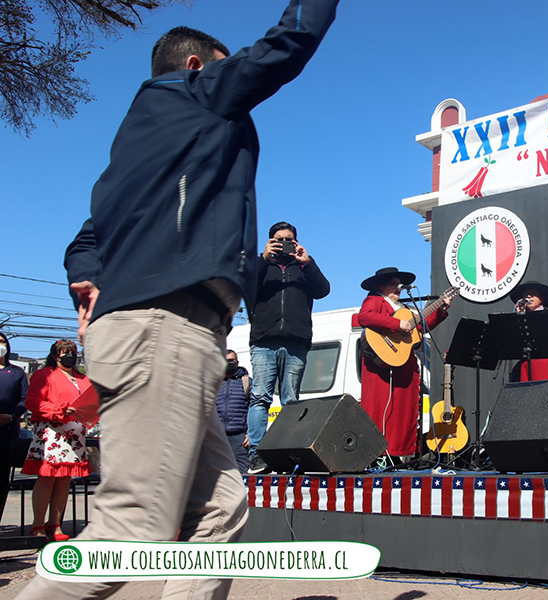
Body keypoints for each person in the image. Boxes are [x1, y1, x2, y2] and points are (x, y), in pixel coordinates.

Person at [29, 3, 339, 599]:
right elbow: (290, 40)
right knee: (132, 532)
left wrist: (87, 278)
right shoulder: (193, 95)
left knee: (221, 511)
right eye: (223, 74)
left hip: (160, 331)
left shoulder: (134, 153)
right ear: (197, 67)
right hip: (166, 326)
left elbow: (84, 240)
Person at [247, 221, 330, 474]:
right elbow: (243, 285)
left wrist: (308, 261)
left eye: (290, 239)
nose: (285, 244)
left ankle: (286, 450)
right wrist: (262, 258)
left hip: (296, 340)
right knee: (260, 397)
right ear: (271, 240)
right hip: (264, 340)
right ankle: (257, 455)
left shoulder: (302, 268)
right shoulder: (261, 267)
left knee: (290, 400)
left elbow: (324, 290)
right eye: (279, 239)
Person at [358, 267, 450, 459]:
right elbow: (364, 316)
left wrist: (441, 310)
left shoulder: (406, 309)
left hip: (404, 367)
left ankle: (401, 454)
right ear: (381, 286)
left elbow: (420, 327)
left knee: (404, 412)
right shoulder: (374, 301)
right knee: (379, 409)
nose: (398, 288)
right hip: (381, 369)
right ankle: (378, 454)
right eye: (393, 283)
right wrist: (396, 324)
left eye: (399, 284)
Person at [22, 340, 92, 542]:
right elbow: (33, 402)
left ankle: (56, 523)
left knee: (64, 481)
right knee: (47, 479)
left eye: (72, 352)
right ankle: (38, 524)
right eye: (64, 353)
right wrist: (58, 409)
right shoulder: (44, 375)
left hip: (75, 434)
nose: (69, 356)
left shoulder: (83, 378)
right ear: (55, 355)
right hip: (52, 432)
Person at [508, 280, 548, 381]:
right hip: (527, 364)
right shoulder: (521, 317)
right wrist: (519, 317)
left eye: (533, 294)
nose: (529, 297)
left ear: (542, 298)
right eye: (526, 295)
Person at [0, 332, 27, 522]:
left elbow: (25, 399)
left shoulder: (17, 373)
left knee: (2, 483)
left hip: (7, 434)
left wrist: (11, 416)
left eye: (2, 341)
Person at [216, 350, 252, 473]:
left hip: (240, 439)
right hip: (219, 438)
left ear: (237, 362)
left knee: (242, 475)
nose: (228, 363)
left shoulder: (246, 382)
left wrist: (250, 433)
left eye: (231, 361)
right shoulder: (215, 383)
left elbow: (255, 408)